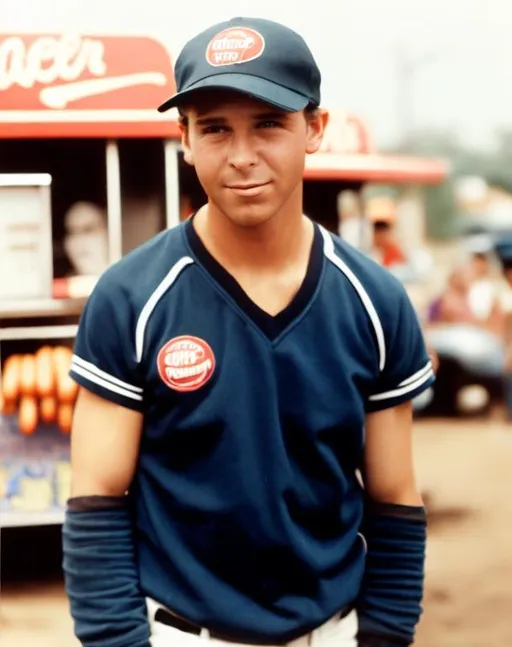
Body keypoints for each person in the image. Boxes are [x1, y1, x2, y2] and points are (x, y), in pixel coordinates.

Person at [62, 17, 435, 647]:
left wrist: (384, 637)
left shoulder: (374, 300)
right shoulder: (132, 297)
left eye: (268, 123)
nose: (241, 155)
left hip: (334, 632)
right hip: (182, 635)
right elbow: (97, 500)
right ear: (183, 138)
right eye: (214, 128)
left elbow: (396, 501)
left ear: (315, 129)